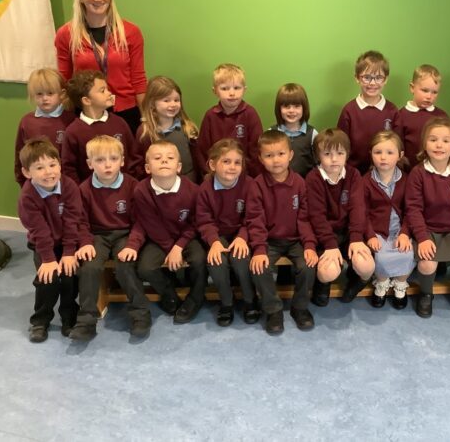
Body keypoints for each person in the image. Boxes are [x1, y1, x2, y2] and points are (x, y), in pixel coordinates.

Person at [71, 136, 148, 341]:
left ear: (122, 161)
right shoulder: (83, 189)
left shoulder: (133, 186)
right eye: (100, 160)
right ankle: (86, 320)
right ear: (90, 164)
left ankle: (140, 314)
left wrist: (132, 245)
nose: (107, 165)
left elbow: (141, 221)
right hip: (97, 235)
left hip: (125, 233)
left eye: (113, 159)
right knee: (89, 266)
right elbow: (81, 221)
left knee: (125, 265)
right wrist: (85, 243)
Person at [405, 117, 450, 318]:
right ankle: (426, 294)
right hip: (428, 229)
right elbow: (413, 208)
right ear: (424, 144)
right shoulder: (418, 173)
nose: (439, 145)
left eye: (446, 140)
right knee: (427, 263)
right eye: (433, 139)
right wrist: (421, 237)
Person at [55, 0, 147, 133]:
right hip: (86, 114)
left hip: (125, 112)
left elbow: (138, 78)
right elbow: (64, 80)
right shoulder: (66, 34)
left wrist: (146, 118)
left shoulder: (130, 32)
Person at [125, 142, 207, 323]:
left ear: (178, 167)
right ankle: (169, 294)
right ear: (147, 168)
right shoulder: (141, 191)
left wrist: (177, 248)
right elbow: (151, 225)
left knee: (200, 260)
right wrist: (170, 249)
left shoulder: (193, 190)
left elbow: (195, 223)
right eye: (157, 158)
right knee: (145, 268)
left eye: (170, 158)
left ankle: (196, 298)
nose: (164, 161)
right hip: (158, 239)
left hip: (186, 237)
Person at [247, 130, 318, 334]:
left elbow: (304, 219)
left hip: (295, 240)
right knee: (259, 267)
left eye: (280, 154)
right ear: (260, 159)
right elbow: (255, 220)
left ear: (291, 155)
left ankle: (300, 307)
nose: (276, 160)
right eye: (269, 156)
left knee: (308, 265)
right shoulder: (256, 186)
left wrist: (310, 246)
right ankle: (273, 309)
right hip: (269, 241)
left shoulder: (300, 183)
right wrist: (259, 249)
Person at [17, 138, 81, 343]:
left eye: (53, 165)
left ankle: (69, 316)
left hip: (66, 242)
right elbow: (39, 230)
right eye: (40, 168)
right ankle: (40, 320)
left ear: (60, 165)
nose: (49, 172)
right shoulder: (28, 196)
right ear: (27, 173)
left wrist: (70, 252)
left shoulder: (69, 186)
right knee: (48, 278)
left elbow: (73, 220)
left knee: (70, 275)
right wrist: (47, 259)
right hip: (42, 244)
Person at [196, 139, 259, 327]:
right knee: (216, 261)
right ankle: (226, 302)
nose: (232, 167)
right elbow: (204, 220)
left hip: (241, 233)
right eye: (226, 161)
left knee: (240, 260)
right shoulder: (205, 189)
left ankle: (250, 300)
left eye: (237, 162)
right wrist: (214, 241)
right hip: (218, 235)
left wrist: (242, 237)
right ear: (213, 164)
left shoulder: (249, 185)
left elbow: (253, 216)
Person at [306, 129, 373, 305]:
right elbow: (316, 216)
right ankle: (322, 285)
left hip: (349, 232)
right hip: (324, 236)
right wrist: (329, 244)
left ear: (347, 154)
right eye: (327, 154)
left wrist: (357, 238)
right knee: (329, 271)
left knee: (366, 265)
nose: (334, 159)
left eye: (340, 153)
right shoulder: (313, 178)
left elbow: (358, 208)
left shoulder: (353, 175)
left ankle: (357, 281)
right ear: (318, 155)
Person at [363, 131, 415, 309]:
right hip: (377, 230)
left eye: (389, 153)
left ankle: (400, 284)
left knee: (407, 252)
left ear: (400, 155)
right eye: (378, 152)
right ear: (371, 154)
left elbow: (412, 210)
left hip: (400, 229)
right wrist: (369, 234)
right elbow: (361, 213)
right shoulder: (366, 182)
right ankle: (382, 283)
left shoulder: (408, 180)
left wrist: (405, 232)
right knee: (381, 255)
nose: (383, 157)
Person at [61, 70, 134, 182]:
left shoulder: (120, 123)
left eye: (107, 89)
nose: (109, 93)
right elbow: (69, 169)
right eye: (102, 91)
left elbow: (134, 157)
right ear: (86, 100)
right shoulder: (73, 132)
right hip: (90, 196)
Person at [337, 50, 398, 173]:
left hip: (385, 174)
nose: (372, 83)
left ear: (385, 79)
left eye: (379, 77)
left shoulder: (392, 111)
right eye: (367, 77)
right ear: (357, 78)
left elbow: (397, 147)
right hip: (354, 174)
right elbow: (341, 146)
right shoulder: (349, 110)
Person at [197, 63, 263, 176]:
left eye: (237, 88)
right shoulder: (210, 116)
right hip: (216, 176)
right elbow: (203, 150)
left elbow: (256, 150)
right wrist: (209, 174)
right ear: (215, 91)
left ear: (244, 90)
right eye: (224, 88)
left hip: (244, 176)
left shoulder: (250, 114)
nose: (232, 93)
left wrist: (250, 176)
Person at [14, 68, 75, 187]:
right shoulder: (27, 122)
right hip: (35, 185)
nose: (45, 98)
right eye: (39, 94)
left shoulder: (71, 119)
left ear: (61, 94)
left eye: (50, 93)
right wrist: (23, 182)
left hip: (66, 186)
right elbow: (19, 154)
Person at [132, 76, 199, 182]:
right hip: (158, 185)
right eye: (166, 100)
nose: (172, 104)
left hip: (188, 183)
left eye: (176, 100)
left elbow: (197, 159)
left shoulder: (188, 128)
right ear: (152, 103)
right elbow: (139, 164)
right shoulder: (145, 133)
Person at [395, 64, 449, 169]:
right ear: (412, 88)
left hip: (436, 170)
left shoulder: (441, 116)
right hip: (409, 170)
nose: (429, 96)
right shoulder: (401, 115)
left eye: (434, 92)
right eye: (425, 90)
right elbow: (397, 147)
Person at [270, 83, 318, 177]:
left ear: (304, 108)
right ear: (279, 108)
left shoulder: (312, 134)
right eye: (286, 106)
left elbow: (318, 164)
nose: (291, 110)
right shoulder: (271, 133)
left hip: (305, 186)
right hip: (277, 186)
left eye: (296, 106)